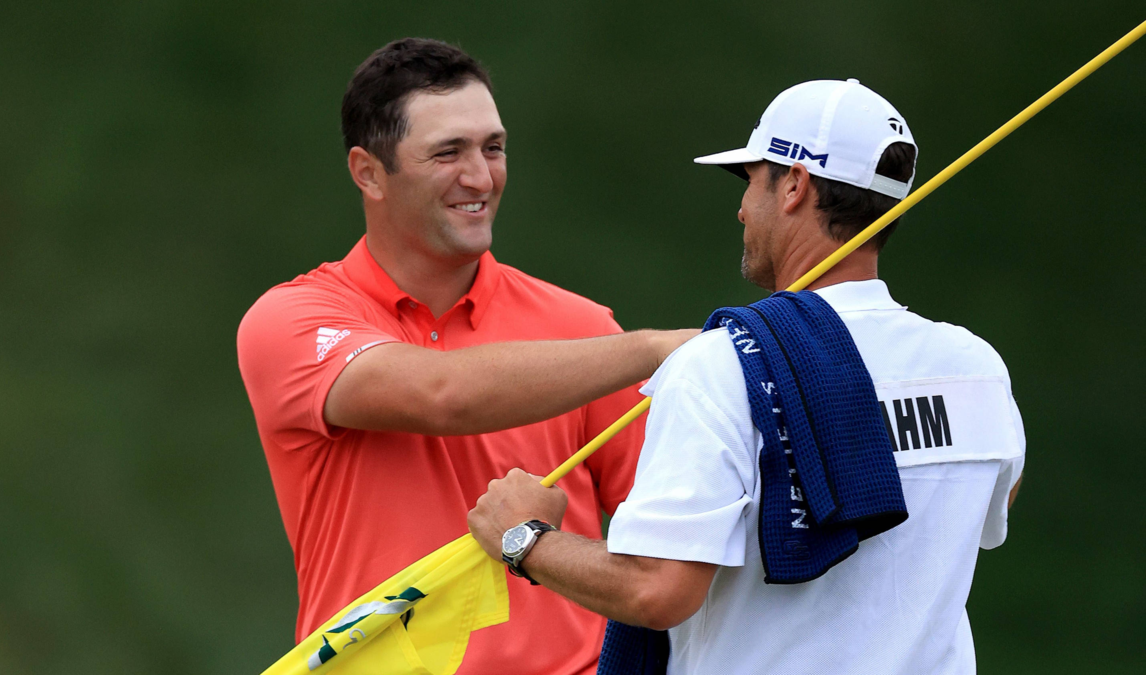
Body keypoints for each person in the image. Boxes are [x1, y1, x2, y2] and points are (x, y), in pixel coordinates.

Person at [468, 79, 1026, 674]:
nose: (741, 208)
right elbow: (985, 509)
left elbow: (656, 588)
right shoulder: (979, 368)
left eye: (751, 180)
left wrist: (526, 538)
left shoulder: (722, 364)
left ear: (794, 186)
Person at [236, 38, 696, 674]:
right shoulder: (290, 321)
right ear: (368, 172)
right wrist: (651, 349)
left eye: (493, 148)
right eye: (448, 152)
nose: (481, 177)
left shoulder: (583, 328)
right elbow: (441, 394)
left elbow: (671, 556)